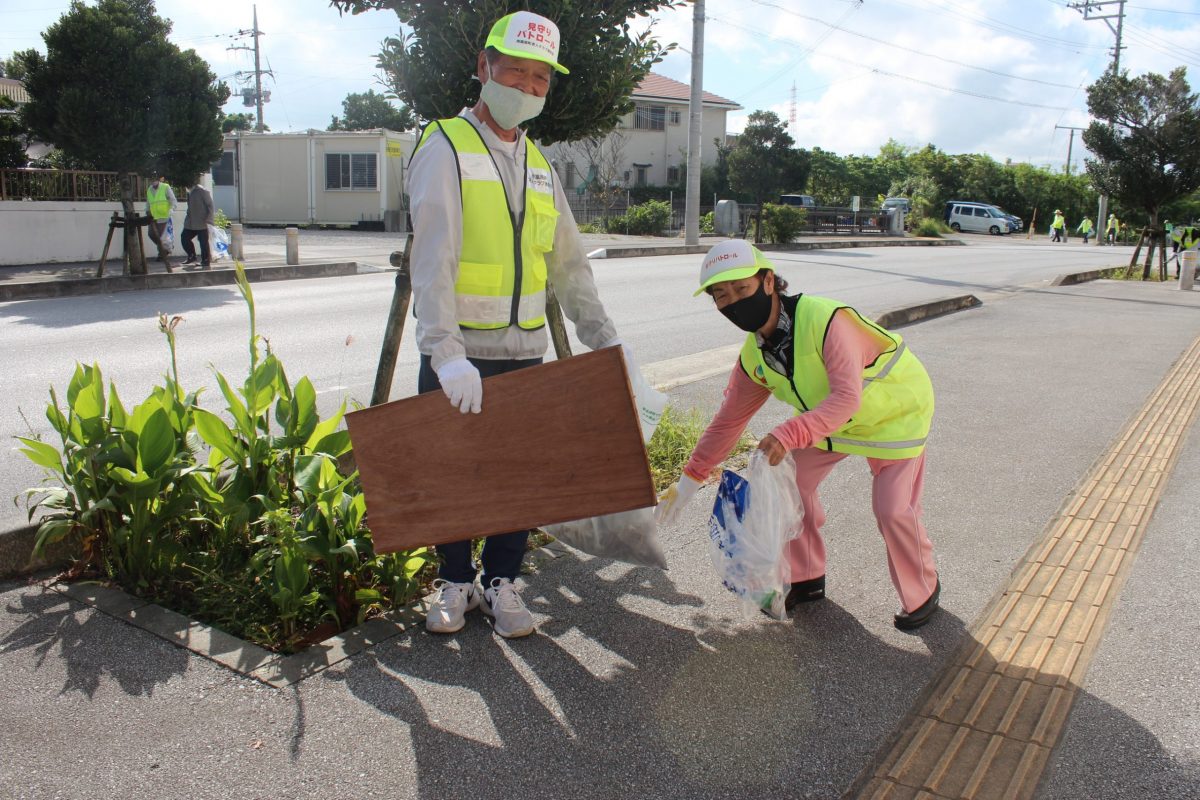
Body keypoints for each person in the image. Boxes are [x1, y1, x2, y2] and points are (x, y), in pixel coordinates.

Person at [407, 10, 636, 639]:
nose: (528, 88)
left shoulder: (539, 163)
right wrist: (445, 354)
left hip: (523, 351)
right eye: (516, 72)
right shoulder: (445, 146)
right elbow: (432, 261)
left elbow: (567, 265)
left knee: (518, 477)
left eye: (540, 79)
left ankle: (502, 581)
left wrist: (605, 338)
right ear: (485, 68)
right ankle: (455, 582)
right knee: (458, 473)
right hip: (460, 357)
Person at [656, 240, 941, 630]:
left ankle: (922, 591)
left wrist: (790, 432)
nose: (733, 303)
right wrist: (687, 484)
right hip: (830, 423)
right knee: (790, 482)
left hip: (893, 413)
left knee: (893, 509)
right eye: (721, 296)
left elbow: (845, 397)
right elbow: (728, 422)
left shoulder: (826, 320)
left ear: (769, 281)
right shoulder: (755, 355)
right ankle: (806, 577)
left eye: (742, 289)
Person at [181, 179, 214, 269]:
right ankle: (191, 256)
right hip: (190, 222)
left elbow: (210, 205)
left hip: (202, 221)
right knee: (184, 238)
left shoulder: (202, 191)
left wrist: (209, 219)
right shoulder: (189, 192)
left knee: (203, 242)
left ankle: (206, 261)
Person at [145, 174, 177, 264]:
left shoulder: (165, 187)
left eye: (155, 179)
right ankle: (165, 249)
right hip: (153, 217)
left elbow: (173, 200)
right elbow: (148, 202)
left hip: (164, 216)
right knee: (151, 234)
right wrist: (147, 210)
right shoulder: (149, 190)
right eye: (151, 179)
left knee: (161, 237)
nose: (153, 181)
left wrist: (172, 209)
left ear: (158, 180)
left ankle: (162, 253)